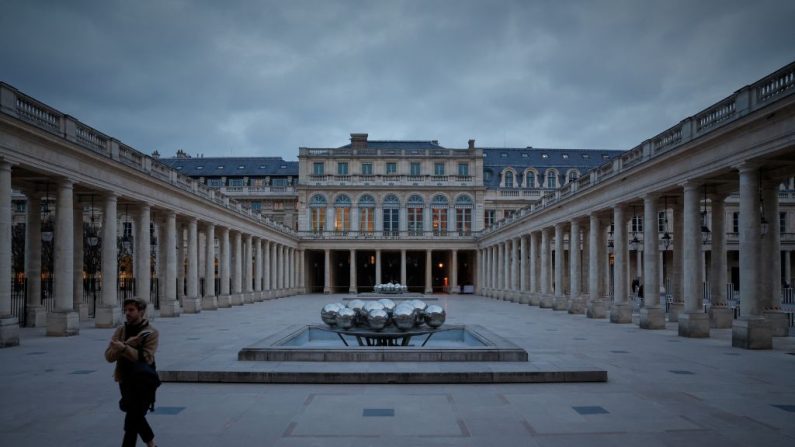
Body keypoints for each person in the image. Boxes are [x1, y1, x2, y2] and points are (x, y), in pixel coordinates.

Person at [105, 297, 159, 447]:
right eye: (126, 310)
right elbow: (108, 356)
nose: (127, 313)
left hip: (144, 382)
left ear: (141, 311)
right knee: (135, 417)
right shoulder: (121, 330)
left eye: (131, 310)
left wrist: (123, 348)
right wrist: (126, 345)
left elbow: (146, 358)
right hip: (125, 380)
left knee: (132, 419)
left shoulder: (151, 333)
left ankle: (151, 444)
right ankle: (152, 444)